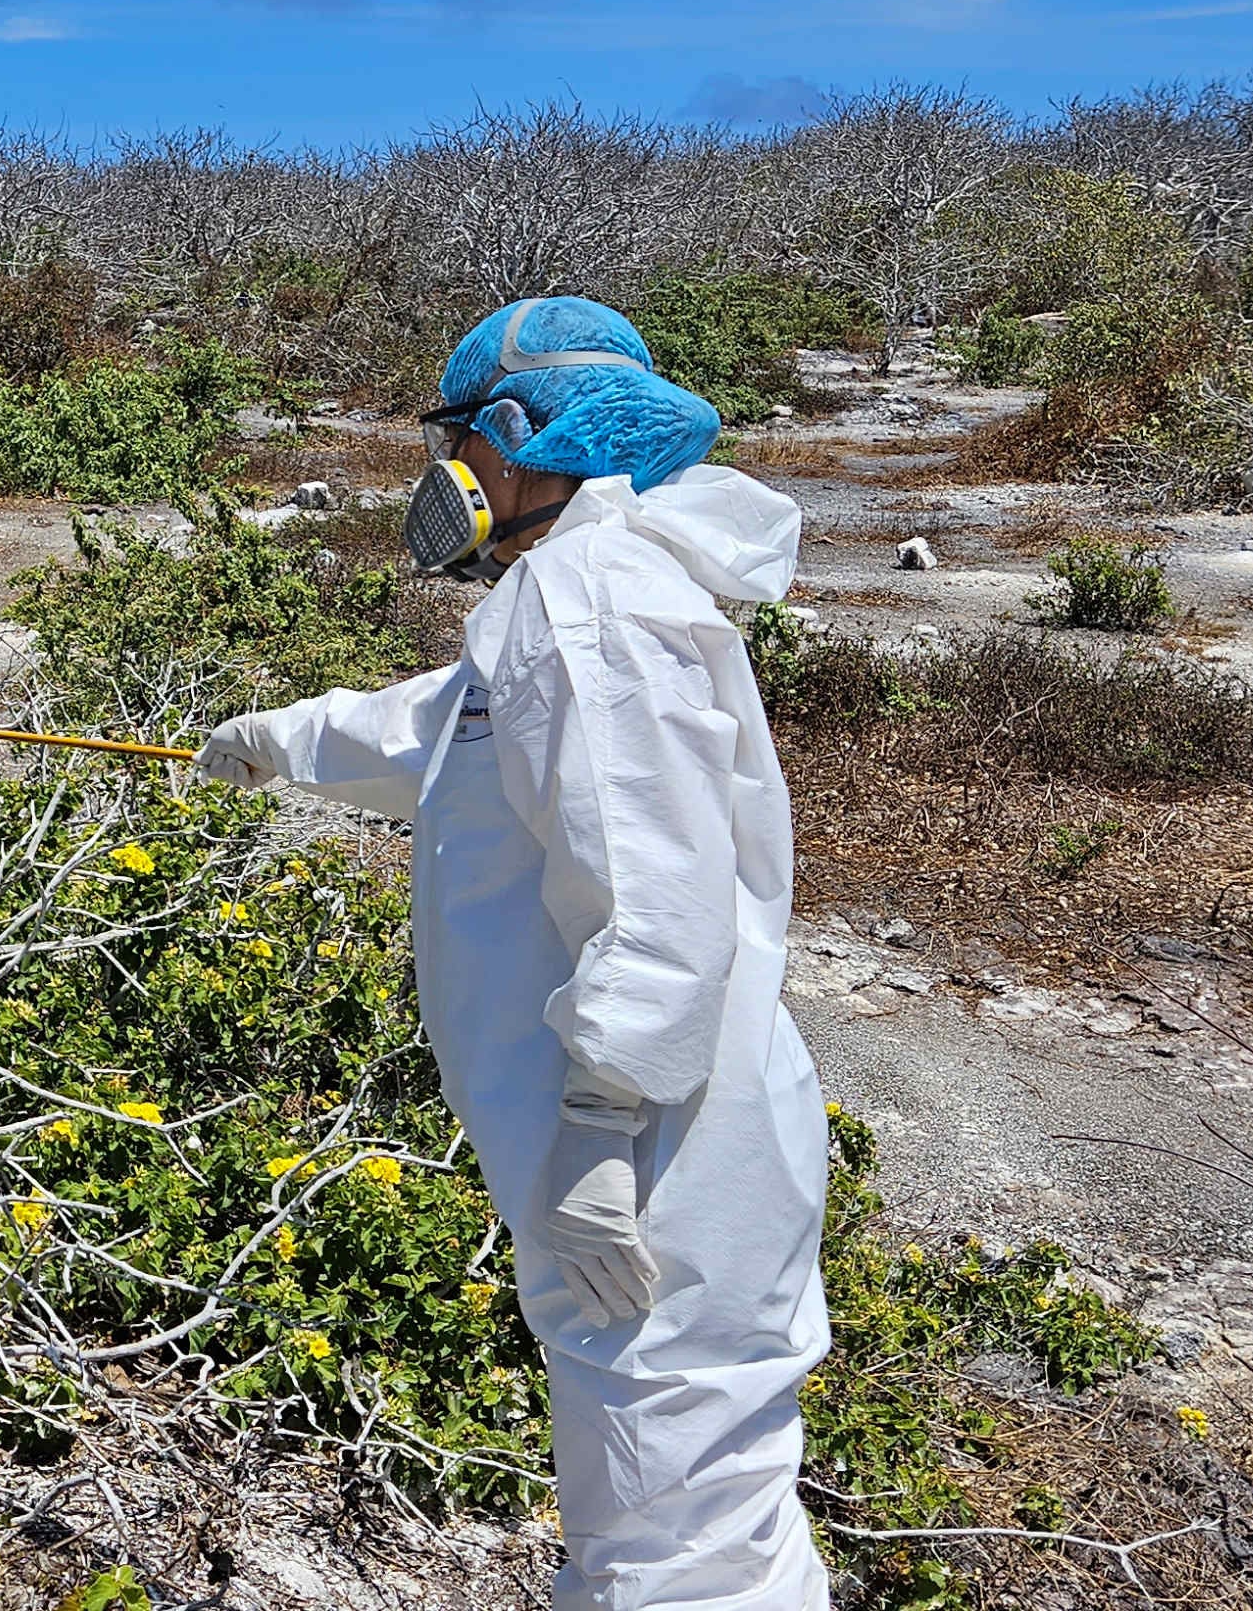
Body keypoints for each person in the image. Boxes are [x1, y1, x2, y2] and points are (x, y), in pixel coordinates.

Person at [201, 296, 830, 1611]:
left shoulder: (586, 603)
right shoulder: (576, 591)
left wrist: (600, 1132)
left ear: (506, 433)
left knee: (673, 1553)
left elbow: (658, 892)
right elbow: (443, 730)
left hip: (651, 1160)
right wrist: (276, 736)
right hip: (671, 1136)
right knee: (707, 1514)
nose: (441, 477)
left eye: (452, 440)